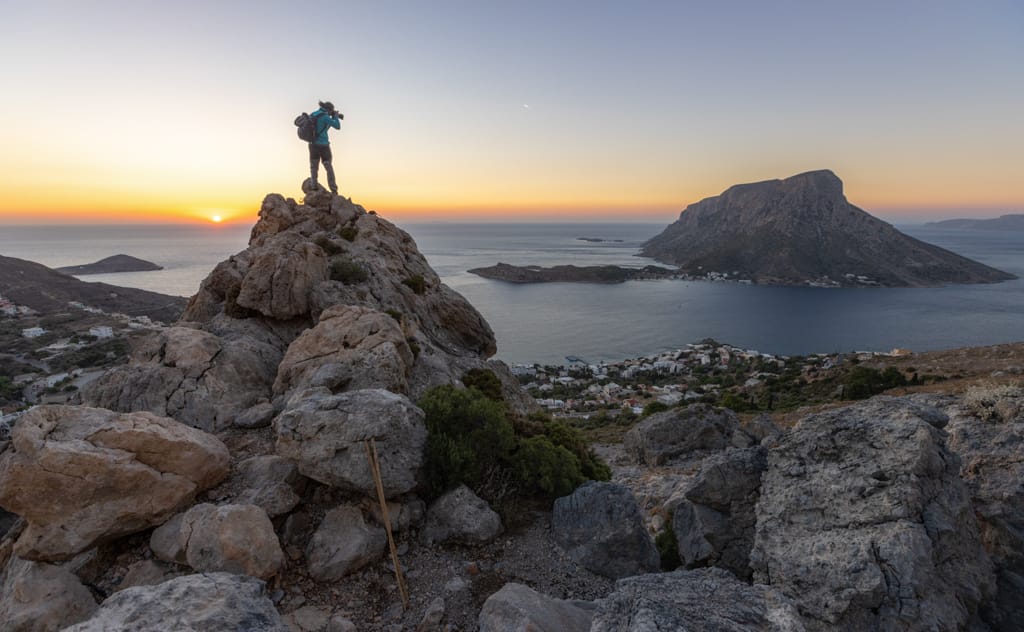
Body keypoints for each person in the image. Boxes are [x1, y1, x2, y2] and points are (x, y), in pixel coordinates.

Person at [308, 100, 342, 195]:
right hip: (323, 145)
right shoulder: (325, 117)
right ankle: (333, 189)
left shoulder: (313, 114)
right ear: (329, 109)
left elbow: (322, 128)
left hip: (312, 144)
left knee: (314, 166)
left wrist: (331, 118)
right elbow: (338, 126)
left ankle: (314, 186)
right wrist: (335, 117)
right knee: (328, 166)